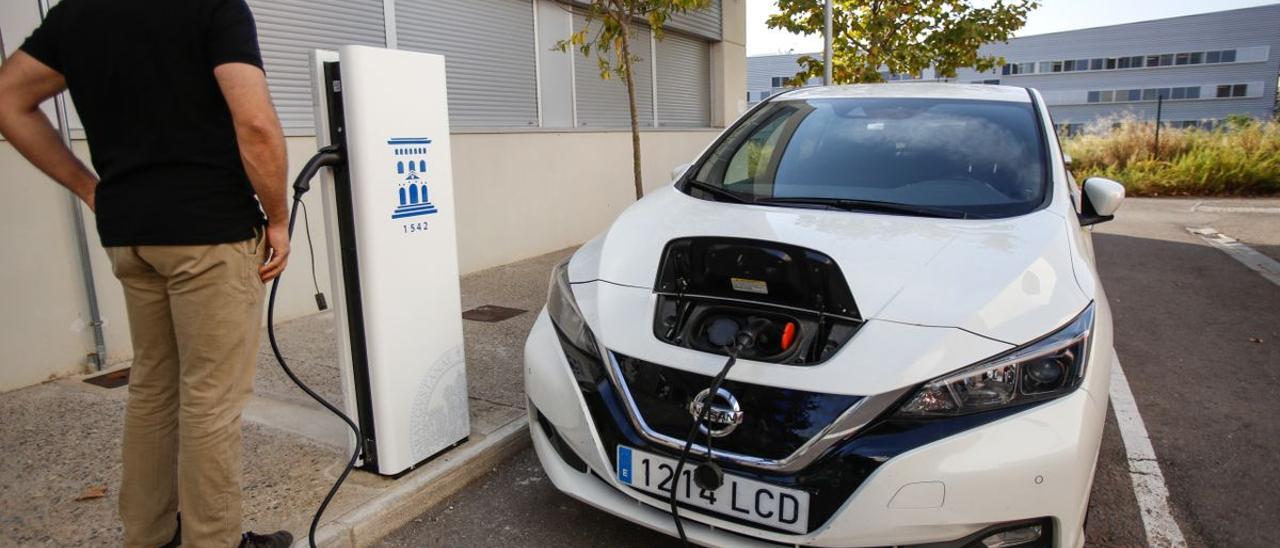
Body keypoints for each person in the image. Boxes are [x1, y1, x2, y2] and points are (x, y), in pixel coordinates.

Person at [0, 1, 294, 546]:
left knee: (155, 389)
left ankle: (150, 538)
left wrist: (92, 188)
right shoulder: (215, 7)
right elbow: (253, 121)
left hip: (132, 237)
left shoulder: (78, 13)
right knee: (211, 399)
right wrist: (277, 217)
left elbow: (8, 99)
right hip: (208, 232)